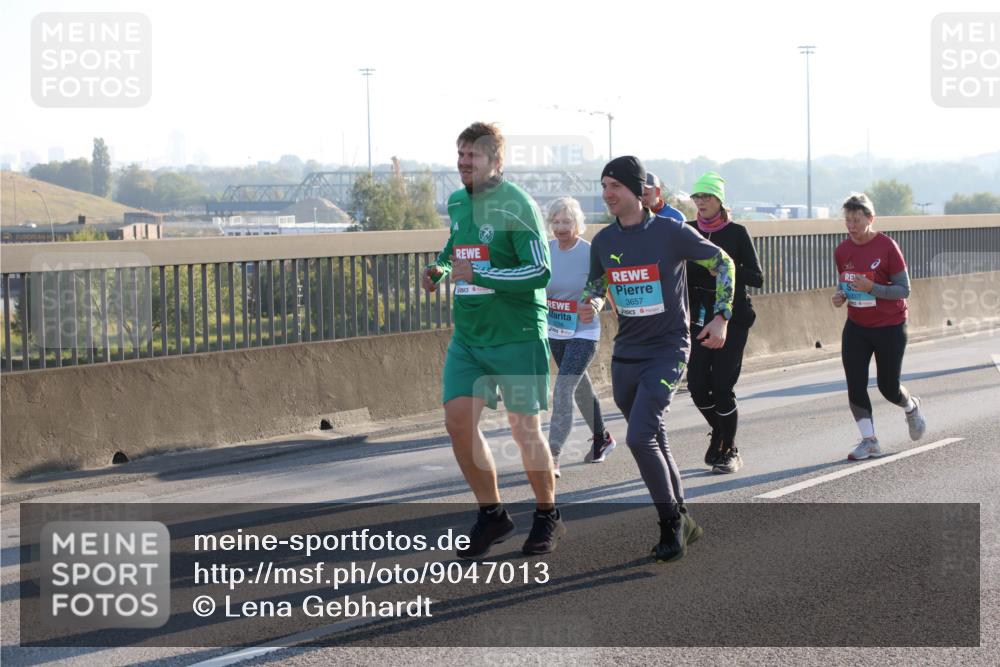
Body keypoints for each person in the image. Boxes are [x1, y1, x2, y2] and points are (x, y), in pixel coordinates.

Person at [581, 156, 735, 562]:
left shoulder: (670, 231)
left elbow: (724, 263)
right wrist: (591, 303)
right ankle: (684, 517)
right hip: (627, 352)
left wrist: (721, 316)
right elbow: (596, 285)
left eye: (614, 185)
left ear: (636, 190)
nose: (607, 193)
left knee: (638, 436)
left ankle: (669, 524)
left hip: (668, 349)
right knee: (655, 435)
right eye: (603, 186)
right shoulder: (603, 241)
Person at [422, 122, 565, 558]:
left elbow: (541, 272)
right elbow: (457, 247)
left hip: (516, 335)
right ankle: (492, 515)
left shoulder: (517, 205)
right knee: (458, 424)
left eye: (474, 156)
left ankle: (547, 515)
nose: (465, 163)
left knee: (524, 431)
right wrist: (441, 269)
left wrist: (480, 274)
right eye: (461, 155)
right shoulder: (457, 202)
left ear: (496, 161)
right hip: (469, 336)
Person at [832, 192, 927, 460]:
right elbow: (845, 283)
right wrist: (840, 296)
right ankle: (869, 440)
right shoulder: (842, 249)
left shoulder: (887, 246)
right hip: (856, 326)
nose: (851, 225)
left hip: (890, 325)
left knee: (888, 387)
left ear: (870, 219)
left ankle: (911, 407)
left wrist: (873, 288)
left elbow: (904, 290)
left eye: (857, 219)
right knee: (855, 384)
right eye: (847, 220)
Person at [685, 172, 763, 474]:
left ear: (720, 201)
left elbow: (757, 277)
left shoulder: (737, 232)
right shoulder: (687, 231)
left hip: (734, 317)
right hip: (699, 317)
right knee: (696, 386)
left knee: (721, 386)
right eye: (697, 197)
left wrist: (725, 269)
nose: (701, 202)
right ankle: (721, 432)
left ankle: (728, 449)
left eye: (707, 197)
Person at [545, 197, 617, 477]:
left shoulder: (589, 252)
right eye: (556, 221)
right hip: (555, 331)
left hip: (584, 332)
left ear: (578, 223)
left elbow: (604, 286)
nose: (561, 227)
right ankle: (602, 438)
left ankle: (552, 454)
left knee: (563, 388)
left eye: (567, 221)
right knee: (580, 387)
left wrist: (598, 304)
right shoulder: (546, 250)